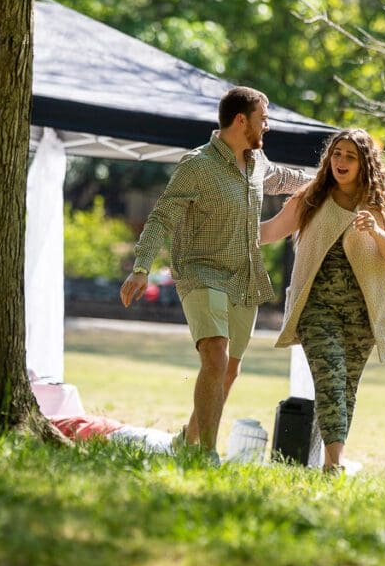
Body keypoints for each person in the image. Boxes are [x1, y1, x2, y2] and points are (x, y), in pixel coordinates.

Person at [120, 86, 312, 458]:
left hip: (244, 276)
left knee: (229, 370)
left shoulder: (257, 163)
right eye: (263, 119)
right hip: (201, 272)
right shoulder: (198, 165)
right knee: (215, 354)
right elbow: (161, 217)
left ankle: (187, 443)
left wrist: (329, 178)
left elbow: (286, 179)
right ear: (242, 120)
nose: (267, 126)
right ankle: (205, 454)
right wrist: (141, 267)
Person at [260, 129, 385, 473]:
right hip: (317, 309)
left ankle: (331, 461)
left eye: (350, 156)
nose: (340, 162)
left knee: (346, 388)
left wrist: (375, 229)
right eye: (336, 154)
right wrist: (225, 229)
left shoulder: (381, 203)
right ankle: (334, 464)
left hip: (363, 315)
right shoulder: (312, 197)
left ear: (365, 164)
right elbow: (269, 232)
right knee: (330, 379)